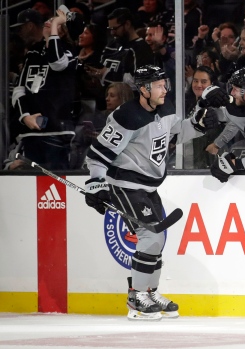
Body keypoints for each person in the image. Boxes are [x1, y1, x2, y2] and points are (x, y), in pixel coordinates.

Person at [84, 65, 218, 321]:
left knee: (157, 239)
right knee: (150, 236)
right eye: (158, 85)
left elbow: (176, 134)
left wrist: (199, 125)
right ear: (144, 89)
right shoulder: (126, 117)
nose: (164, 89)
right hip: (126, 184)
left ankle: (149, 291)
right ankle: (136, 298)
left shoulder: (165, 108)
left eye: (164, 83)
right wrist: (96, 184)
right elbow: (98, 154)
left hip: (148, 186)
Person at [11, 9, 77, 170]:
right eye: (49, 22)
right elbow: (19, 89)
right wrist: (25, 116)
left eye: (55, 24)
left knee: (56, 187)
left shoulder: (70, 52)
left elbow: (57, 62)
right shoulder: (33, 53)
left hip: (57, 132)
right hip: (31, 132)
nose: (49, 24)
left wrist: (50, 33)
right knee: (31, 186)